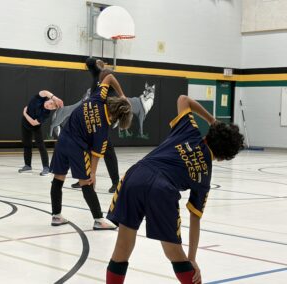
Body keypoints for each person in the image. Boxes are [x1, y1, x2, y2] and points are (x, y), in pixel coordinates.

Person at [105, 95, 244, 284]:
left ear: (209, 134)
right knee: (175, 254)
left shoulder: (189, 130)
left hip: (135, 176)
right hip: (162, 190)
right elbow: (195, 217)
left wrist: (212, 120)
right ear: (223, 158)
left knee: (121, 249)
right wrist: (192, 258)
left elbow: (183, 99)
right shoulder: (204, 176)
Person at [49, 70, 132, 230]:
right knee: (86, 183)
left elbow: (109, 77)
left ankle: (56, 216)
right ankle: (98, 220)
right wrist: (92, 174)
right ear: (117, 117)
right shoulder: (103, 130)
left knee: (58, 179)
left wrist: (122, 95)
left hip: (62, 140)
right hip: (77, 147)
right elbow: (95, 155)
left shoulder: (98, 98)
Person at [71, 57, 120, 193]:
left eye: (99, 63)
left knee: (107, 148)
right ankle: (85, 178)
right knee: (85, 147)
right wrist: (97, 62)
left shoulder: (105, 75)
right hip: (92, 115)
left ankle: (116, 182)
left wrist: (122, 95)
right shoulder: (95, 73)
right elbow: (90, 61)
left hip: (104, 116)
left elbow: (111, 77)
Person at [18, 90, 64, 176]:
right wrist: (56, 98)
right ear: (49, 99)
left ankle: (46, 168)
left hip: (34, 126)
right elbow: (45, 92)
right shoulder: (39, 99)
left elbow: (34, 123)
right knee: (26, 144)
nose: (49, 106)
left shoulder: (46, 114)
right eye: (51, 103)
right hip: (24, 124)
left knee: (41, 145)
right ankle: (27, 165)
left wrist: (25, 114)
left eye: (52, 107)